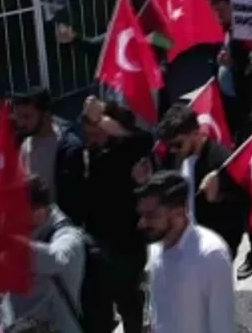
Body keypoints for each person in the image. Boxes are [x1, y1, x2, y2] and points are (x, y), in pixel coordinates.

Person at [78, 97, 153, 331]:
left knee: (128, 301)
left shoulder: (127, 152)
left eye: (97, 132)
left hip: (126, 242)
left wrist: (102, 118)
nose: (92, 139)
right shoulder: (92, 153)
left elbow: (144, 139)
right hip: (98, 241)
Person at [139, 171, 237, 333]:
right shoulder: (155, 247)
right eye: (142, 215)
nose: (142, 223)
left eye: (151, 215)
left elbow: (223, 325)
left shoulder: (211, 255)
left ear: (179, 212)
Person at [152, 105, 248, 259]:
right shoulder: (175, 157)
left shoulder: (220, 161)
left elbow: (243, 204)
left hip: (212, 248)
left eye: (178, 145)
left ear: (196, 134)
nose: (173, 150)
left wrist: (218, 197)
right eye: (169, 146)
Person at [8, 177, 87, 333]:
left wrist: (14, 247)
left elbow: (56, 259)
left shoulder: (68, 236)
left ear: (39, 211)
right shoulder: (21, 234)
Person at [11, 87, 87, 226]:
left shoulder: (68, 148)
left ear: (46, 115)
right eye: (18, 117)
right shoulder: (24, 142)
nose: (20, 123)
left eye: (27, 117)